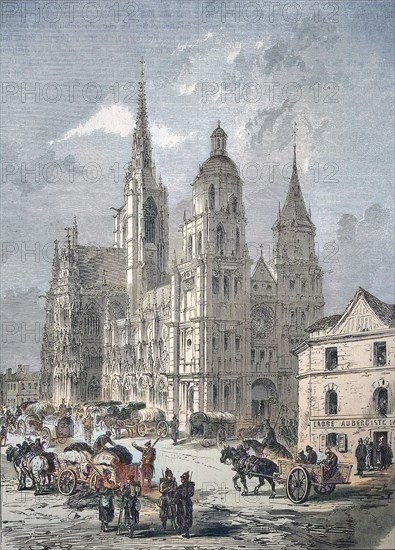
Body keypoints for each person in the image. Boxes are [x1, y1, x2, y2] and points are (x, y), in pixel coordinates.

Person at [118, 472, 142, 537]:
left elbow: (137, 494)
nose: (129, 481)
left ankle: (131, 531)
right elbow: (123, 494)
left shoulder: (134, 486)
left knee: (131, 517)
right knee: (128, 517)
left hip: (132, 503)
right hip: (127, 503)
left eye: (130, 479)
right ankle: (130, 530)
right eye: (128, 479)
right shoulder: (127, 486)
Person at [176, 471, 195, 538]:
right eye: (181, 478)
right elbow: (177, 494)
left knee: (187, 517)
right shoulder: (180, 487)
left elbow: (191, 494)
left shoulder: (190, 486)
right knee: (180, 517)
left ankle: (187, 533)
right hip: (180, 503)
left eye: (183, 478)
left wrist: (185, 496)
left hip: (186, 503)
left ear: (186, 479)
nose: (182, 480)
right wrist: (177, 498)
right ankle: (181, 529)